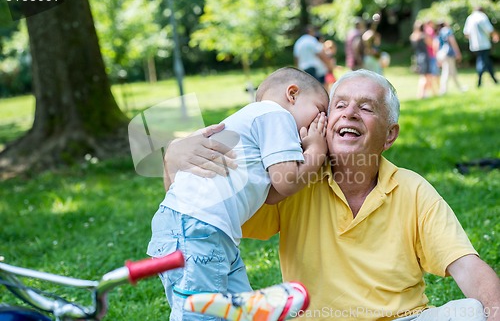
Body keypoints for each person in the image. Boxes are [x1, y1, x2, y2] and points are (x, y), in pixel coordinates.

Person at [164, 69, 500, 321]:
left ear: (389, 134)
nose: (350, 113)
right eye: (339, 105)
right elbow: (197, 217)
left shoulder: (412, 189)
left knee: (472, 311)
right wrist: (173, 159)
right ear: (324, 122)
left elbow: (467, 267)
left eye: (366, 107)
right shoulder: (289, 181)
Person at [147, 67, 329, 320]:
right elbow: (288, 181)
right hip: (198, 228)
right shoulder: (275, 114)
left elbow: (273, 194)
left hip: (207, 230)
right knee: (200, 313)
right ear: (292, 94)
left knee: (242, 310)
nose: (322, 121)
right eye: (320, 110)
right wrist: (317, 150)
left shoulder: (258, 125)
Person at [463, 6, 498, 87]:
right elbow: (489, 29)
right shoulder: (482, 17)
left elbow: (466, 33)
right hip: (484, 44)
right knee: (482, 61)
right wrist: (495, 36)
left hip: (474, 45)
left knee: (487, 61)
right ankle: (479, 80)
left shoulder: (470, 18)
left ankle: (494, 79)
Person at [434, 21, 467, 95]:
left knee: (452, 71)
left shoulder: (439, 32)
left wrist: (437, 56)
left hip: (441, 53)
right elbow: (452, 41)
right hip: (448, 53)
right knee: (446, 71)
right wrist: (457, 52)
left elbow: (436, 44)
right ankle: (443, 90)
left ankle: (459, 87)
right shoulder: (447, 30)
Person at [410, 20, 437, 99]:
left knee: (423, 76)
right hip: (425, 57)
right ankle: (421, 94)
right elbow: (431, 44)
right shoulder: (424, 36)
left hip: (418, 57)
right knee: (426, 76)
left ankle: (424, 93)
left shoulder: (413, 36)